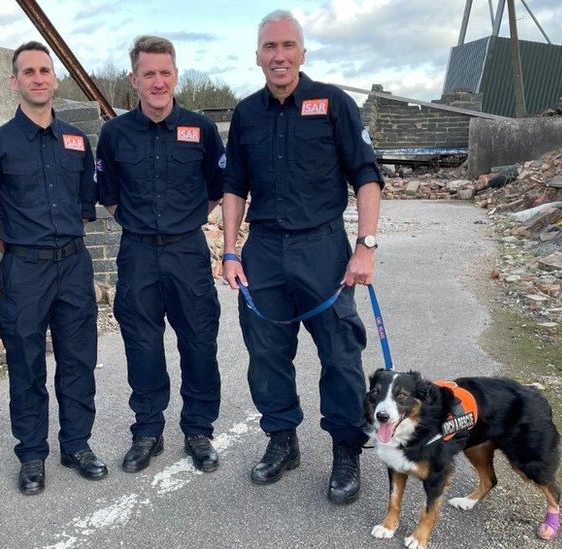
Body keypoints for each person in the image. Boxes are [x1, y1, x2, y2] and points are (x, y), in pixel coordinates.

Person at [221, 10, 384, 504]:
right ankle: (283, 441)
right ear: (257, 57)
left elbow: (367, 177)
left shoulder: (334, 103)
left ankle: (344, 451)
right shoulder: (246, 114)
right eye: (270, 47)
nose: (279, 55)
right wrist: (230, 251)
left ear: (302, 53)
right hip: (265, 249)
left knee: (339, 353)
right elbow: (233, 187)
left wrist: (366, 246)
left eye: (288, 46)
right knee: (266, 352)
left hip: (323, 246)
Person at [0, 41, 107, 496]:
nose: (38, 78)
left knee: (78, 359)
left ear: (55, 79)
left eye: (45, 70)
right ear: (15, 82)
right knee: (26, 363)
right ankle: (31, 455)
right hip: (24, 270)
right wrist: (18, 246)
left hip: (73, 266)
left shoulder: (76, 140)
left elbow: (87, 204)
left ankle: (77, 444)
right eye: (28, 72)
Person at [96, 36, 224, 473]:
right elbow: (108, 194)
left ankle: (199, 430)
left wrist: (183, 222)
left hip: (187, 251)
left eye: (164, 72)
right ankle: (147, 430)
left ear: (176, 75)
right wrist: (142, 225)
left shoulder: (201, 129)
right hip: (137, 253)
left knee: (199, 341)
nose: (157, 81)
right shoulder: (114, 134)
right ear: (134, 79)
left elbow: (215, 190)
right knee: (142, 344)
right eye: (148, 73)